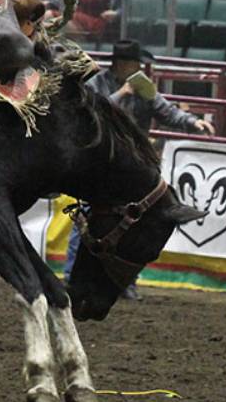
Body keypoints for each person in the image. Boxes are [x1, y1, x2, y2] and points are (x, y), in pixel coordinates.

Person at [70, 38, 214, 299]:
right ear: (124, 64)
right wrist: (122, 94)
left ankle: (125, 281)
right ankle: (73, 274)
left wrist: (193, 123)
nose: (140, 67)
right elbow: (89, 110)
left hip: (133, 168)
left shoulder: (143, 88)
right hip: (103, 163)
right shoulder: (98, 83)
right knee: (90, 216)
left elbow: (166, 110)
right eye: (136, 63)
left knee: (136, 226)